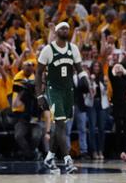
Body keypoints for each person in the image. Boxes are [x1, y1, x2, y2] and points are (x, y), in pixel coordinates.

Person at [36, 22, 87, 174]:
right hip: (53, 91)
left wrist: (84, 78)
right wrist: (39, 94)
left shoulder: (73, 48)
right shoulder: (48, 49)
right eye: (62, 28)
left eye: (67, 28)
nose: (65, 30)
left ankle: (49, 157)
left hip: (68, 91)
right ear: (56, 31)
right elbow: (38, 73)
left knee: (58, 127)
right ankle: (68, 160)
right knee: (61, 125)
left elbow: (79, 68)